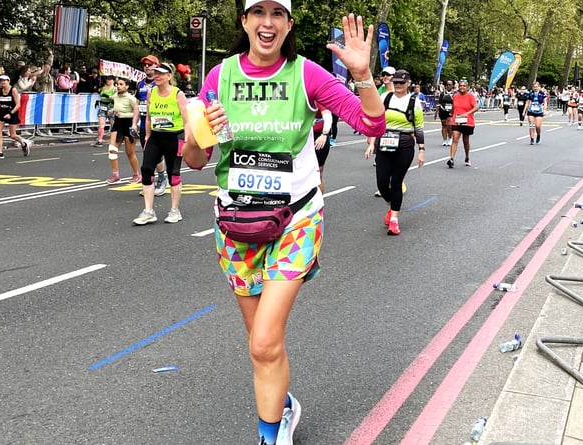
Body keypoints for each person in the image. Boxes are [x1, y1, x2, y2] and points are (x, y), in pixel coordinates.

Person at [181, 3, 385, 444]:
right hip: (235, 224)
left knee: (263, 343)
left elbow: (371, 123)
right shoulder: (219, 78)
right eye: (258, 12)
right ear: (244, 22)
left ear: (289, 24)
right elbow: (195, 160)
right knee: (261, 343)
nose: (267, 22)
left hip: (295, 219)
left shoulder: (307, 74)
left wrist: (364, 75)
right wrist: (195, 133)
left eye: (277, 13)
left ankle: (270, 436)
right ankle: (284, 406)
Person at [365, 69, 424, 236]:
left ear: (408, 84)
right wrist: (371, 143)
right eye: (396, 82)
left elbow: (418, 128)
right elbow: (376, 121)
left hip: (404, 144)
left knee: (396, 183)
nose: (398, 85)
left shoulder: (415, 102)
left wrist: (421, 150)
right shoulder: (385, 98)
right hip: (385, 142)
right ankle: (391, 206)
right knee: (382, 183)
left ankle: (394, 220)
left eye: (402, 83)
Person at [132, 63, 187, 225]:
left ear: (169, 76)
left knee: (173, 174)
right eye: (155, 73)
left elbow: (187, 121)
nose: (157, 76)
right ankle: (149, 211)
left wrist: (188, 140)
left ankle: (175, 211)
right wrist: (148, 136)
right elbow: (149, 117)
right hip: (156, 137)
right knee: (146, 169)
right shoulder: (151, 93)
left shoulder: (178, 94)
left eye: (161, 74)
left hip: (174, 137)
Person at [134, 55, 169, 197]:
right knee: (147, 154)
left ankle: (162, 177)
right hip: (144, 125)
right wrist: (133, 123)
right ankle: (151, 182)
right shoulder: (141, 84)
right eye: (145, 64)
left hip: (158, 125)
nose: (147, 66)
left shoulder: (159, 84)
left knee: (155, 155)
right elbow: (137, 104)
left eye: (150, 64)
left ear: (157, 65)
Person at [104, 78, 141, 184]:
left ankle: (136, 175)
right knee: (112, 150)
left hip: (129, 124)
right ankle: (115, 175)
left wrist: (125, 116)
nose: (118, 86)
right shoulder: (115, 96)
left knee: (129, 152)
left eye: (121, 84)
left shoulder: (131, 98)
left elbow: (136, 112)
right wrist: (112, 111)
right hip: (118, 124)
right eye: (117, 84)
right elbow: (116, 108)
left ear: (127, 86)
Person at [0, 75, 32, 160]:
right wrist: (1, 111)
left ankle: (23, 143)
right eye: (1, 81)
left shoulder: (13, 90)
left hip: (12, 113)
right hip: (2, 113)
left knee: (12, 135)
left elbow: (18, 104)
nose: (2, 82)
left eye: (4, 81)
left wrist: (10, 113)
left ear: (8, 81)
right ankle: (0, 152)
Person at [447, 78, 479, 168]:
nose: (462, 87)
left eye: (464, 86)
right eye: (460, 86)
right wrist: (450, 116)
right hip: (456, 121)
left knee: (465, 141)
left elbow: (476, 107)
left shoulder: (470, 96)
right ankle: (451, 159)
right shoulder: (455, 96)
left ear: (467, 87)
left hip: (467, 122)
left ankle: (467, 157)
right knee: (455, 139)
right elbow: (454, 107)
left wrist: (467, 113)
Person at [312, 101, 332, 193]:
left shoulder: (319, 98)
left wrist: (324, 134)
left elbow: (328, 116)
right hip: (303, 137)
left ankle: (319, 203)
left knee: (318, 173)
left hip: (319, 137)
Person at [92, 75, 116, 147]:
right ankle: (99, 140)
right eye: (107, 79)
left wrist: (108, 97)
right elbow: (101, 95)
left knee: (113, 124)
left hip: (111, 107)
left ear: (113, 80)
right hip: (102, 107)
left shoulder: (115, 89)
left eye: (109, 79)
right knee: (101, 124)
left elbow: (116, 98)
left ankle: (115, 140)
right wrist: (98, 101)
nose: (107, 81)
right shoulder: (103, 87)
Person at [435, 80, 455, 145]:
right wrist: (436, 112)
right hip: (443, 110)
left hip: (451, 111)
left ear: (452, 86)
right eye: (447, 84)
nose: (448, 86)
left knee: (449, 125)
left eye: (450, 84)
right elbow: (439, 103)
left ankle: (450, 138)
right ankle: (444, 140)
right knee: (444, 125)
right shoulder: (442, 93)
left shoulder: (455, 93)